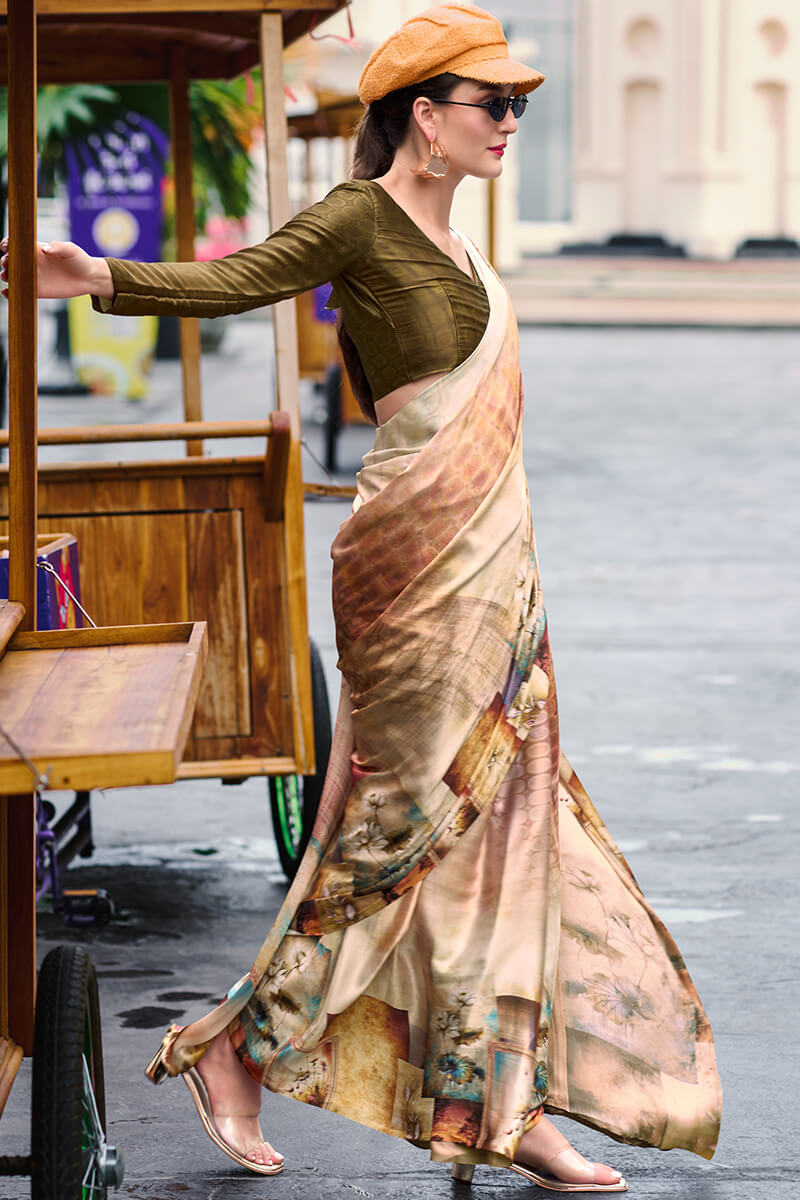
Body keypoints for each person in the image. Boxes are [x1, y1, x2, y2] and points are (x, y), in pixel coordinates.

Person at [2, 3, 722, 1189]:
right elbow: (239, 279)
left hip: (496, 568)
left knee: (507, 826)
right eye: (492, 105)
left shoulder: (464, 250)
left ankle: (506, 1099)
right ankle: (233, 1046)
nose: (509, 124)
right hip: (410, 565)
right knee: (395, 837)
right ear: (422, 118)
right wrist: (102, 277)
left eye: (517, 108)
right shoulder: (358, 219)